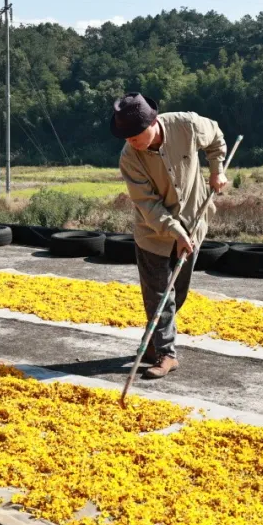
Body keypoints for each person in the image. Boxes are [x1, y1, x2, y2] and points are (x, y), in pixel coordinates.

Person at [110, 93, 228, 379]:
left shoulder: (186, 125)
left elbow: (217, 140)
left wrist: (216, 171)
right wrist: (174, 231)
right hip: (153, 233)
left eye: (136, 136)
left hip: (194, 222)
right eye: (126, 137)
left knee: (179, 291)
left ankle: (155, 343)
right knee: (159, 296)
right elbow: (147, 204)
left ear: (153, 122)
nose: (132, 142)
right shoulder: (130, 157)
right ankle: (166, 354)